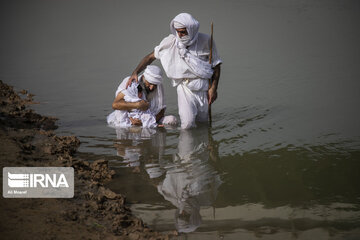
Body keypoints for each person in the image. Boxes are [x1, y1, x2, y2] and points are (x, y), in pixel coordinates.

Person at [126, 13, 222, 129]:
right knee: (187, 125)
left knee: (203, 124)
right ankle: (186, 147)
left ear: (191, 30)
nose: (180, 35)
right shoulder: (171, 42)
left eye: (183, 32)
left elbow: (216, 66)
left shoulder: (206, 41)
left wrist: (213, 88)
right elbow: (150, 57)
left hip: (204, 89)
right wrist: (135, 72)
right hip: (185, 88)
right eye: (177, 31)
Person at [107, 65, 177, 128]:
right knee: (131, 128)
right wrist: (137, 105)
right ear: (143, 77)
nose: (151, 88)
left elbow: (161, 111)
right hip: (129, 118)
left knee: (172, 120)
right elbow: (115, 105)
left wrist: (147, 122)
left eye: (154, 85)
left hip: (151, 118)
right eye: (149, 84)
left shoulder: (159, 87)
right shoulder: (131, 83)